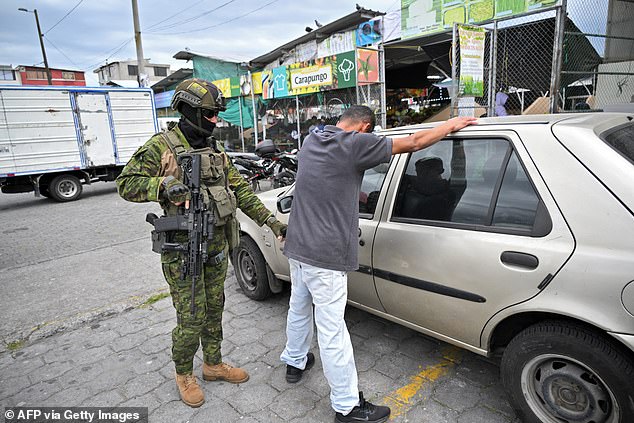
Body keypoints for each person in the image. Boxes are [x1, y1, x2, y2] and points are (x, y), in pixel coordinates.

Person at [280, 105, 476, 423]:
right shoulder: (356, 143)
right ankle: (347, 407)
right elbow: (412, 143)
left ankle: (295, 361)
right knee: (332, 332)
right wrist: (450, 124)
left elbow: (326, 181)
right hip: (326, 255)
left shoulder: (313, 139)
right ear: (364, 127)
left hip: (299, 245)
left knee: (299, 306)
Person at [116, 78, 287, 408]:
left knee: (214, 310)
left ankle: (212, 364)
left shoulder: (215, 150)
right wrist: (163, 186)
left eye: (215, 114)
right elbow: (126, 184)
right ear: (190, 111)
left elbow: (241, 192)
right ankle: (184, 372)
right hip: (184, 252)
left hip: (217, 247)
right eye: (209, 113)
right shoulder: (161, 146)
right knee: (191, 317)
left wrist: (273, 223)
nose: (215, 120)